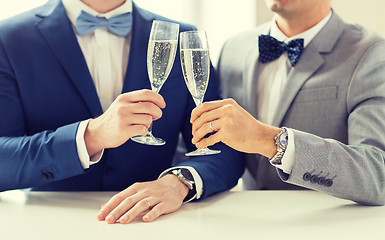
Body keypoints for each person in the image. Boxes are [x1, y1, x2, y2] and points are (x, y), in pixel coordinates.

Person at [0, 0, 244, 224]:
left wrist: (180, 182)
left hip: (156, 224)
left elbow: (224, 147)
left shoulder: (182, 37)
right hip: (47, 224)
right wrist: (90, 136)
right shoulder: (9, 38)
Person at [190, 0, 385, 206]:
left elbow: (377, 175)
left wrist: (270, 141)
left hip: (326, 224)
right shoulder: (233, 48)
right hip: (244, 221)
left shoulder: (369, 53)